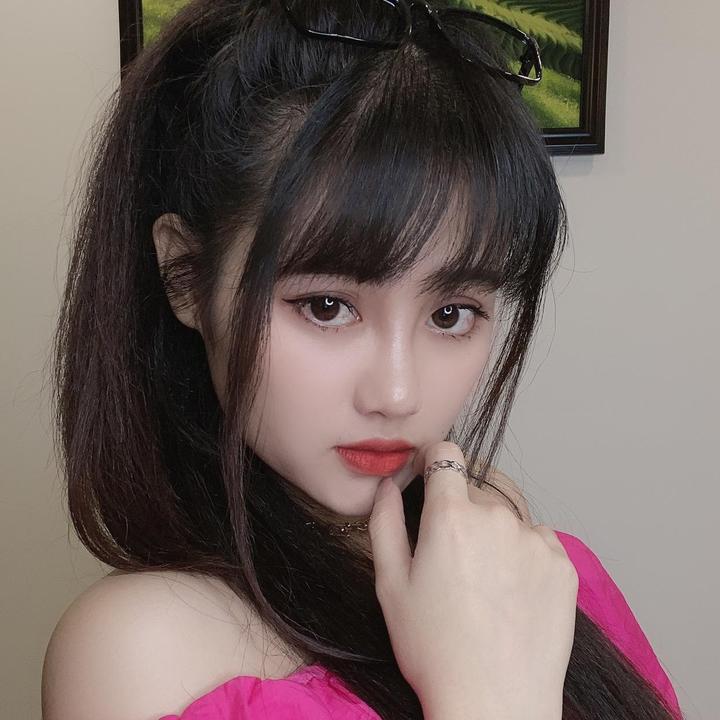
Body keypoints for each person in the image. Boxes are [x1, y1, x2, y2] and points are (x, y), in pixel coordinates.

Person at [41, 1, 683, 719]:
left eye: (451, 314)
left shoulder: (535, 570)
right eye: (326, 307)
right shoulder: (143, 653)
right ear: (186, 276)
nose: (398, 394)